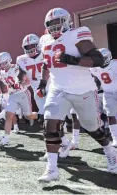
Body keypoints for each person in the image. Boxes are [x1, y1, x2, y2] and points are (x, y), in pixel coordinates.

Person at [37, 7, 117, 182]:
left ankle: (110, 151)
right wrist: (43, 83)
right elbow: (46, 64)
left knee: (93, 128)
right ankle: (52, 169)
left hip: (83, 90)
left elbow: (97, 59)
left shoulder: (77, 34)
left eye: (58, 22)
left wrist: (72, 60)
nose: (55, 27)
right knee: (50, 123)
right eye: (51, 24)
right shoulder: (44, 40)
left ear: (66, 22)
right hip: (58, 88)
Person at [0, 52, 38, 146]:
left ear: (8, 61)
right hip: (13, 95)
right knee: (8, 115)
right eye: (0, 64)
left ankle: (39, 116)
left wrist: (20, 85)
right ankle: (6, 138)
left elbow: (27, 81)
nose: (2, 65)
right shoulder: (2, 72)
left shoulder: (16, 68)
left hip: (23, 94)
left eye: (3, 63)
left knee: (28, 116)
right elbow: (3, 81)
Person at [90, 48, 117, 147]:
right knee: (111, 115)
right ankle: (115, 138)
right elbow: (93, 76)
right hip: (108, 93)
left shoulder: (115, 64)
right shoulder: (94, 68)